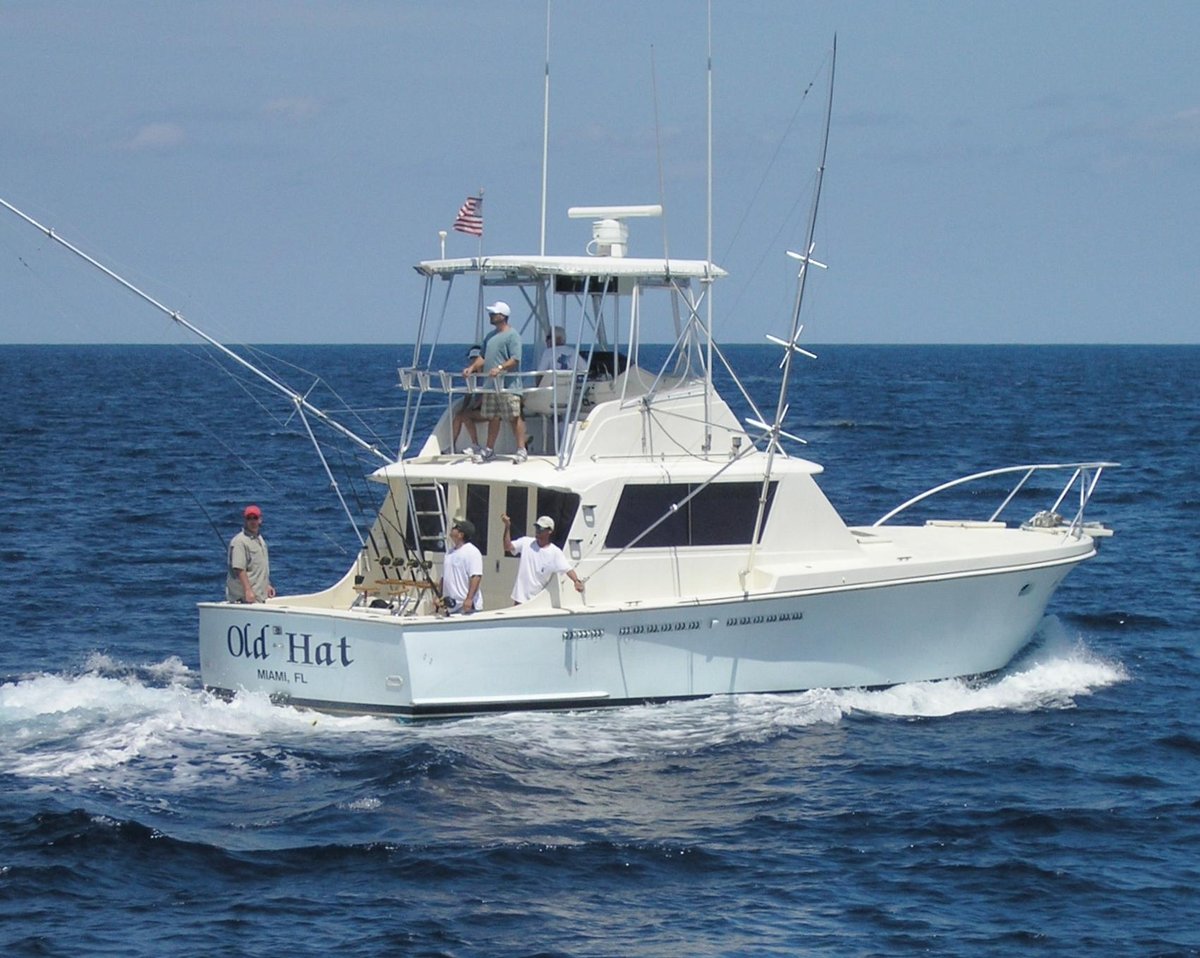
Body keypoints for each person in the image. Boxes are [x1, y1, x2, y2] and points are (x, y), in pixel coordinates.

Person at [462, 301, 527, 463]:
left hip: (508, 386)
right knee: (493, 417)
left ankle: (521, 449)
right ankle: (489, 450)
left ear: (502, 316)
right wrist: (471, 368)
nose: (490, 316)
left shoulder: (513, 335)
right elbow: (482, 357)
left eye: (494, 313)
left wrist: (500, 368)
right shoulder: (490, 336)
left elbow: (515, 359)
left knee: (514, 416)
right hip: (491, 386)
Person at [502, 513, 584, 604]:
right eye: (537, 527)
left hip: (537, 601)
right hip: (520, 599)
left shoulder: (555, 552)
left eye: (541, 528)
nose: (538, 531)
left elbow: (568, 569)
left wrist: (576, 581)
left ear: (549, 531)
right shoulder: (526, 542)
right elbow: (507, 547)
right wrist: (507, 527)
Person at [226, 504, 275, 603]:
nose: (252, 521)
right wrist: (248, 590)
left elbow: (260, 566)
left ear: (260, 520)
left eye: (255, 518)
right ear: (245, 521)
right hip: (244, 599)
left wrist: (267, 585)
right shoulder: (240, 541)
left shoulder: (260, 539)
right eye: (249, 518)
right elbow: (239, 568)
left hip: (259, 597)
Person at [439, 517, 483, 614]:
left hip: (466, 607)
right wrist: (439, 595)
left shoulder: (472, 552)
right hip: (450, 606)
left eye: (455, 527)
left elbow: (476, 577)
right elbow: (444, 577)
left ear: (461, 535)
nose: (452, 528)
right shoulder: (449, 553)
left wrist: (469, 599)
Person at [451, 345, 486, 454]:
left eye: (474, 359)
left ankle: (475, 445)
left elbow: (485, 395)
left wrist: (473, 407)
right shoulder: (473, 377)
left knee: (465, 415)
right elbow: (469, 394)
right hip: (479, 409)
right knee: (459, 415)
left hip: (489, 409)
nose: (471, 362)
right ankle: (452, 446)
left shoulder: (486, 376)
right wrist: (464, 407)